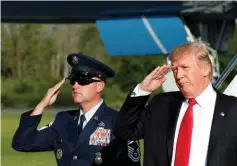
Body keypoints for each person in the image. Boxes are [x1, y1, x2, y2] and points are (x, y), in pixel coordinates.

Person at [114, 41, 237, 166]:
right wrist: (142, 90)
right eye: (174, 70)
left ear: (205, 69)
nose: (178, 75)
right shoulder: (161, 105)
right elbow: (125, 131)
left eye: (185, 68)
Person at [12, 53, 141, 166]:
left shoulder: (119, 122)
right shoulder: (63, 120)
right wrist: (42, 105)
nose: (75, 85)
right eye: (73, 80)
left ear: (100, 86)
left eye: (83, 80)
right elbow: (23, 143)